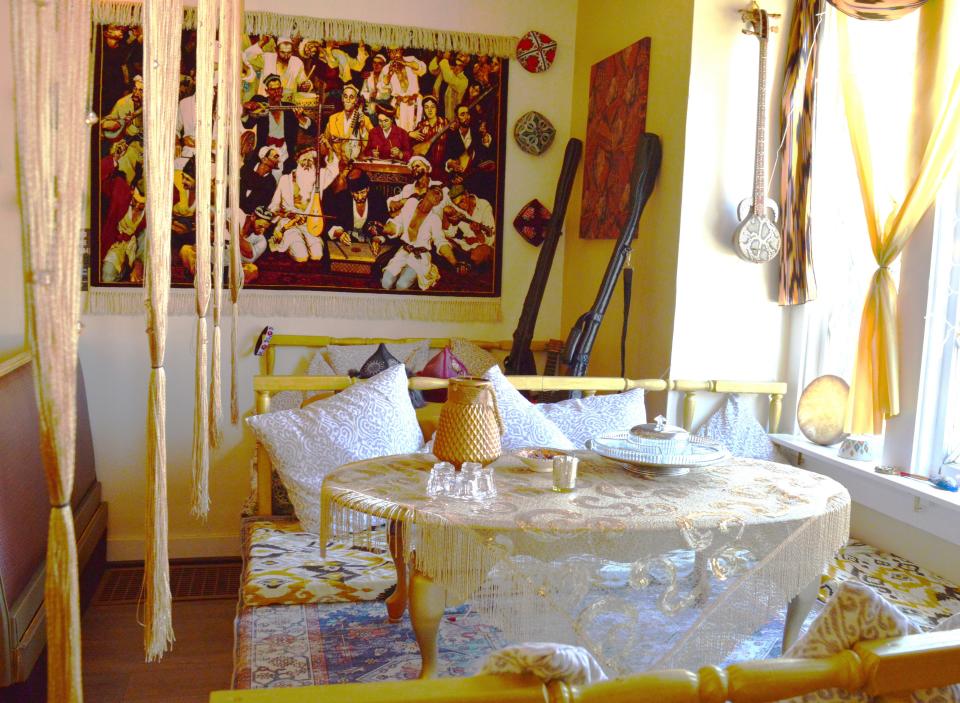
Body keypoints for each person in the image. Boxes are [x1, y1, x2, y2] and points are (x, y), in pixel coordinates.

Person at [378, 186, 461, 290]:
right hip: (404, 251)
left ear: (438, 203)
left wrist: (455, 263)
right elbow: (397, 224)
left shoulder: (435, 219)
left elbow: (441, 242)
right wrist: (383, 229)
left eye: (440, 196)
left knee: (402, 285)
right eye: (435, 191)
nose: (437, 195)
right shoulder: (411, 204)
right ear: (427, 191)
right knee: (386, 283)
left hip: (420, 257)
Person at [268, 144, 339, 261]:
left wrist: (329, 148)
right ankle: (290, 244)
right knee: (301, 256)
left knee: (317, 255)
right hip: (290, 223)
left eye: (310, 160)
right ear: (297, 160)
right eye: (304, 160)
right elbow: (273, 207)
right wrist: (287, 214)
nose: (307, 164)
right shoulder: (285, 180)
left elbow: (333, 169)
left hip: (310, 224)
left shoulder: (319, 178)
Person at [241, 73, 313, 174]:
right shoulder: (262, 107)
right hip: (263, 151)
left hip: (285, 154)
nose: (277, 92)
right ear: (267, 91)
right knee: (246, 173)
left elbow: (312, 129)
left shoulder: (289, 108)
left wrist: (300, 117)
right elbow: (247, 125)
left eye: (279, 89)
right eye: (273, 90)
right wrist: (245, 110)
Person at [327, 172, 388, 245]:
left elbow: (384, 225)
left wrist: (377, 239)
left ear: (368, 189)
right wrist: (340, 234)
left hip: (369, 242)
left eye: (362, 192)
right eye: (356, 193)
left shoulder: (378, 200)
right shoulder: (341, 199)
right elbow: (332, 223)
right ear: (350, 192)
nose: (359, 197)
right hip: (347, 241)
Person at [443, 183, 495, 268]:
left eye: (462, 201)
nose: (461, 206)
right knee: (444, 241)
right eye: (457, 204)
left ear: (466, 193)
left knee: (483, 251)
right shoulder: (457, 209)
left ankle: (466, 264)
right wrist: (446, 217)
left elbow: (490, 240)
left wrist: (477, 233)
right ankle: (466, 263)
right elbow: (449, 234)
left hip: (482, 246)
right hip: (465, 246)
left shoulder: (483, 205)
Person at [102, 186, 147, 283]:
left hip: (136, 250)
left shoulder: (149, 214)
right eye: (135, 201)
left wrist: (138, 263)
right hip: (118, 246)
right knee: (107, 274)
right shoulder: (122, 203)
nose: (136, 207)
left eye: (142, 205)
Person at [443, 104, 493, 182]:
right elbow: (446, 158)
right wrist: (451, 164)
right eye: (462, 114)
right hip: (458, 179)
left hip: (477, 179)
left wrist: (485, 139)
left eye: (468, 113)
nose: (466, 117)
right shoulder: (451, 136)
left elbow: (486, 154)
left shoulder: (477, 133)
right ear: (457, 118)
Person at [324, 84, 372, 162]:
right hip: (335, 164)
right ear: (342, 98)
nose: (348, 100)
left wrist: (362, 128)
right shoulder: (332, 119)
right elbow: (325, 143)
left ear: (356, 100)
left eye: (351, 97)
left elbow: (371, 147)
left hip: (356, 165)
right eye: (345, 97)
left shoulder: (365, 120)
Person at [383, 46, 426, 131]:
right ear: (388, 54)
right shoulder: (387, 68)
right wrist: (390, 73)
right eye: (391, 52)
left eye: (396, 50)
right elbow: (383, 85)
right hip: (399, 104)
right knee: (401, 131)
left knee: (417, 128)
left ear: (402, 50)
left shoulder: (411, 59)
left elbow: (422, 69)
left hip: (415, 101)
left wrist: (405, 63)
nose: (394, 54)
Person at [407, 95, 449, 178]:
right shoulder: (421, 125)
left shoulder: (445, 123)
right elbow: (413, 148)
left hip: (442, 168)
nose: (429, 110)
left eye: (432, 107)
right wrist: (410, 134)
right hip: (426, 169)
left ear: (437, 108)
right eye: (426, 107)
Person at [240, 146, 281, 215]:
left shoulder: (271, 183)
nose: (278, 160)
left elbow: (263, 206)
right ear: (264, 159)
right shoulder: (246, 167)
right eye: (275, 157)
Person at [428, 52, 469, 120]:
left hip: (450, 118)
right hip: (437, 112)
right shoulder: (448, 69)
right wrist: (438, 56)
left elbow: (448, 78)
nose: (460, 56)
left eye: (463, 55)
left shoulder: (464, 81)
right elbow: (432, 69)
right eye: (459, 54)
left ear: (467, 62)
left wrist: (444, 59)